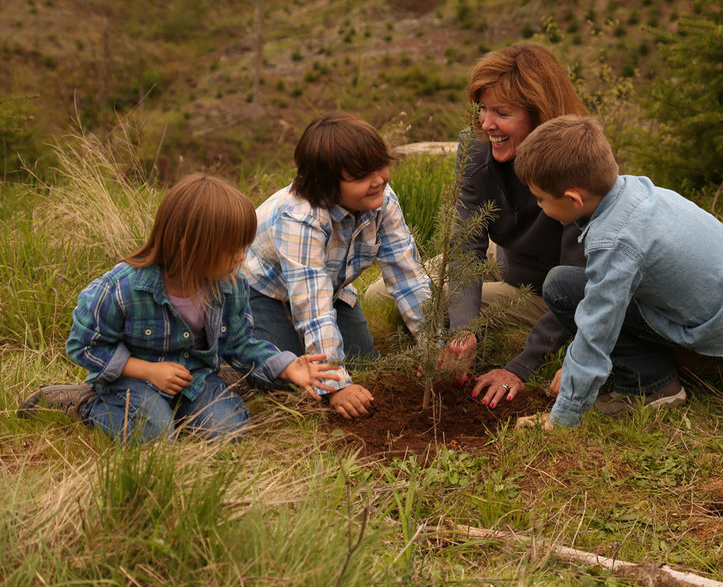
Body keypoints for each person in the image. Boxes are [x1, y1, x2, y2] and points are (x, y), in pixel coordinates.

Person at [17, 174, 338, 444]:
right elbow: (83, 344)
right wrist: (146, 371)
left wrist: (288, 366)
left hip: (193, 375)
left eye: (244, 246)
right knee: (154, 437)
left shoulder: (229, 286)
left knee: (228, 433)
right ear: (189, 245)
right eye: (231, 249)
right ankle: (86, 404)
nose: (242, 258)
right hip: (133, 378)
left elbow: (241, 343)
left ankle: (185, 404)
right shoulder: (124, 288)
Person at [368, 43, 589, 409]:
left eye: (502, 112)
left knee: (430, 306)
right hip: (502, 257)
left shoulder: (575, 163)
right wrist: (463, 331)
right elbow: (466, 244)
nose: (487, 124)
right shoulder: (478, 148)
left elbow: (577, 284)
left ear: (541, 114)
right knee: (381, 293)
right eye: (483, 108)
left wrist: (522, 364)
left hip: (541, 290)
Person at [513, 115, 723, 428]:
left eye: (540, 198)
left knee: (561, 287)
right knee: (573, 282)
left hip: (711, 327)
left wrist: (564, 415)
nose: (539, 205)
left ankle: (650, 384)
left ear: (573, 199)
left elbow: (597, 329)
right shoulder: (631, 190)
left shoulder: (614, 240)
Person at [242, 112, 431, 420]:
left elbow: (408, 277)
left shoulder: (383, 200)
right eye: (360, 176)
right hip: (262, 291)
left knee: (363, 365)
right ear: (326, 185)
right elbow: (312, 308)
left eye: (380, 165)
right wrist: (335, 386)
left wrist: (433, 346)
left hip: (330, 288)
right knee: (291, 380)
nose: (379, 179)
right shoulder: (300, 217)